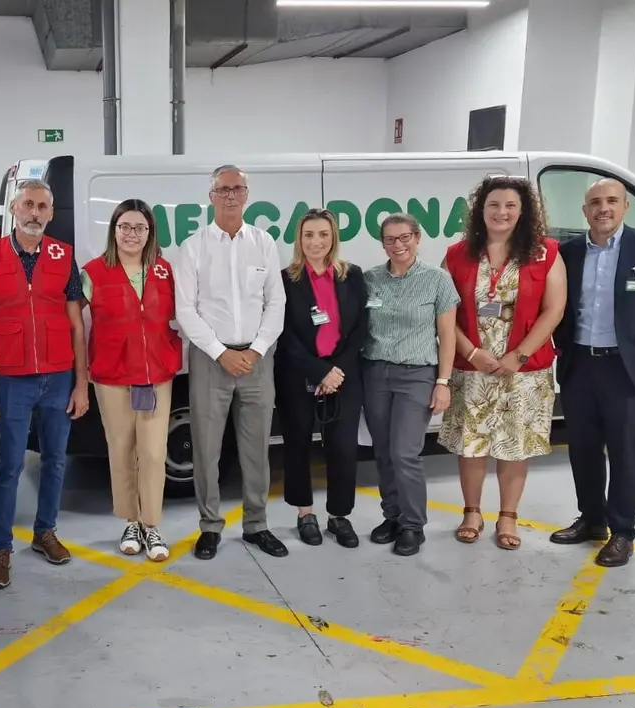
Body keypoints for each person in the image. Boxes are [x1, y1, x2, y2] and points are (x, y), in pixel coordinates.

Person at [549, 178, 635, 567]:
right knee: (583, 449)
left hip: (628, 370)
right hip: (579, 366)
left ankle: (622, 531)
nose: (603, 208)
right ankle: (591, 519)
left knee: (627, 453)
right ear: (584, 211)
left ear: (625, 207)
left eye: (611, 201)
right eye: (595, 202)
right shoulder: (569, 251)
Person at [0, 178, 90, 590]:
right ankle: (0, 549)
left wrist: (81, 383)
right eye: (28, 205)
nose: (35, 213)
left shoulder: (64, 256)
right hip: (14, 380)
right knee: (10, 465)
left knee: (56, 460)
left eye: (42, 206)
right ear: (15, 210)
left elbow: (76, 325)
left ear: (51, 213)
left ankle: (45, 533)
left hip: (58, 377)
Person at [438, 176, 567, 550]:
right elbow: (445, 313)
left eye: (510, 205)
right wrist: (473, 353)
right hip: (472, 367)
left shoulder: (546, 252)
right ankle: (472, 511)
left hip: (524, 370)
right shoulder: (456, 254)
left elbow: (554, 309)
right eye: (493, 205)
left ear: (523, 211)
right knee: (471, 444)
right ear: (481, 209)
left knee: (515, 444)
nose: (502, 212)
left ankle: (508, 516)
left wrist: (519, 355)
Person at [174, 165, 288, 561]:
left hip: (258, 358)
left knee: (256, 446)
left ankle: (256, 524)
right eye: (223, 189)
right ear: (211, 197)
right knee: (206, 449)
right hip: (210, 359)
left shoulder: (264, 242)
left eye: (237, 188)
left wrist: (255, 350)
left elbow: (277, 302)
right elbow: (185, 309)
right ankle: (209, 526)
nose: (230, 195)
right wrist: (221, 352)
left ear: (247, 194)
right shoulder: (194, 246)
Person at [81, 199, 182, 562]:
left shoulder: (164, 270)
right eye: (124, 226)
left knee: (154, 453)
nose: (132, 234)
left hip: (156, 375)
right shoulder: (92, 272)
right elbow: (72, 320)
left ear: (150, 233)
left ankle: (152, 525)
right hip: (111, 377)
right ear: (114, 230)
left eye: (140, 228)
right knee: (121, 451)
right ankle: (131, 521)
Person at [361, 213, 459, 557]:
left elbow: (447, 336)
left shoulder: (437, 280)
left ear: (417, 238)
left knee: (405, 452)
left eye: (405, 238)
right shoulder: (370, 278)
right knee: (384, 452)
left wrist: (443, 382)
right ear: (382, 243)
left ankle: (413, 525)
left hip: (417, 374)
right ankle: (393, 516)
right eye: (390, 240)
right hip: (375, 373)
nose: (398, 245)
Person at [273, 208, 369, 548]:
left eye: (323, 235)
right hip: (298, 376)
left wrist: (335, 371)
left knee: (343, 448)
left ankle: (339, 516)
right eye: (309, 235)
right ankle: (305, 513)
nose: (316, 242)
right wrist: (318, 371)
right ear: (299, 239)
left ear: (333, 238)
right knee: (297, 445)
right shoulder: (285, 279)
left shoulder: (352, 275)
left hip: (343, 376)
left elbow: (360, 328)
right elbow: (283, 333)